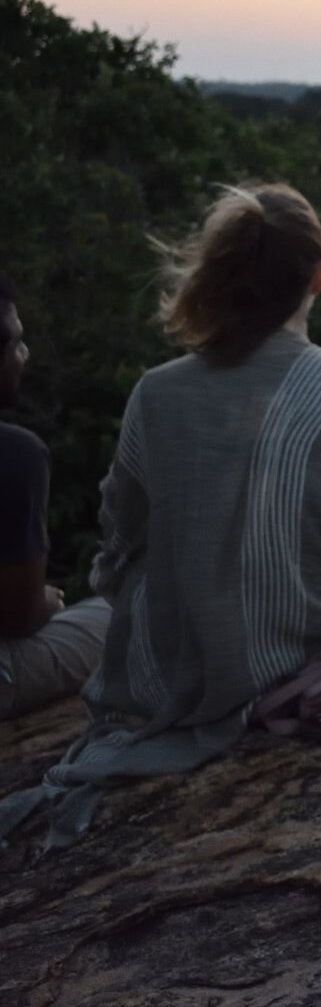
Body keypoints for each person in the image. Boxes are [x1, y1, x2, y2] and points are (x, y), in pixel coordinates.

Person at [0, 185, 321, 847]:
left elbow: (118, 551)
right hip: (310, 658)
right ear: (320, 275)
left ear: (218, 274)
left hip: (169, 670)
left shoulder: (158, 392)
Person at [0, 273, 112, 719]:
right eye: (15, 343)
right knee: (124, 616)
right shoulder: (15, 454)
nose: (24, 355)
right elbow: (20, 620)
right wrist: (44, 602)